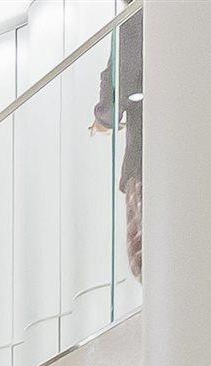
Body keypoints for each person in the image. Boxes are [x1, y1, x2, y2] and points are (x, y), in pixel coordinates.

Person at [92, 9, 145, 279]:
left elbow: (119, 78)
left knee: (144, 260)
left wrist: (104, 117)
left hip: (144, 158)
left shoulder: (136, 16)